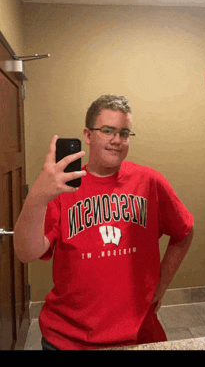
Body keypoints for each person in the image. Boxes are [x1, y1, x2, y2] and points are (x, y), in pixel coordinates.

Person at [14, 94, 194, 350]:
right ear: (88, 135)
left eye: (124, 133)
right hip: (67, 338)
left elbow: (184, 231)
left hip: (138, 333)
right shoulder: (61, 188)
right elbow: (26, 252)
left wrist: (161, 286)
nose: (117, 141)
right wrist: (37, 197)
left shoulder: (150, 182)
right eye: (108, 130)